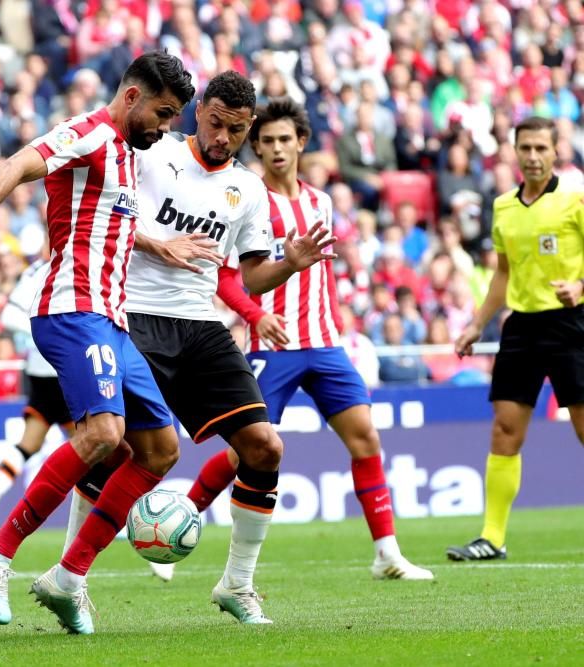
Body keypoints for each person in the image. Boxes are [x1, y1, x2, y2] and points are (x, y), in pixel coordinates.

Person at [0, 52, 195, 635]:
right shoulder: (88, 133)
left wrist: (156, 245)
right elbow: (17, 163)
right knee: (102, 434)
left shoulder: (124, 154)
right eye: (163, 114)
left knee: (162, 449)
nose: (165, 127)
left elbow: (106, 221)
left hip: (111, 319)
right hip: (71, 309)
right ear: (134, 97)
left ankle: (67, 578)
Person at [62, 72, 336, 624]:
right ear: (198, 112)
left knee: (264, 448)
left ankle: (237, 585)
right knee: (112, 448)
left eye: (235, 130)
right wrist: (157, 243)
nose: (222, 138)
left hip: (200, 324)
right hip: (132, 314)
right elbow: (100, 213)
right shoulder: (150, 152)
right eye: (214, 123)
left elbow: (251, 277)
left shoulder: (248, 189)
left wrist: (289, 264)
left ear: (248, 128)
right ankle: (71, 578)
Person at [184, 99, 434, 580]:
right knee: (243, 455)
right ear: (254, 146)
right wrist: (257, 315)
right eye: (267, 141)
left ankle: (386, 553)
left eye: (285, 139)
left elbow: (321, 276)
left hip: (324, 343)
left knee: (366, 439)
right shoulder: (246, 199)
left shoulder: (320, 201)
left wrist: (338, 325)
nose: (277, 148)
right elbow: (224, 276)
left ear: (301, 143)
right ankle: (183, 523)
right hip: (272, 348)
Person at [448, 117, 584, 561]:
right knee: (505, 431)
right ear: (515, 151)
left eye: (541, 148)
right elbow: (503, 274)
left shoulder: (575, 199)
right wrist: (476, 323)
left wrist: (580, 287)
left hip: (571, 324)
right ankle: (492, 537)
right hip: (521, 327)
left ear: (555, 151)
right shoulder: (504, 206)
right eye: (525, 148)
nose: (532, 156)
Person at [0, 256, 74, 542]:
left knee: (30, 444)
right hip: (61, 368)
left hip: (43, 368)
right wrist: (59, 336)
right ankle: (114, 521)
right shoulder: (53, 265)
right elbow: (10, 317)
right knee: (96, 444)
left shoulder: (46, 265)